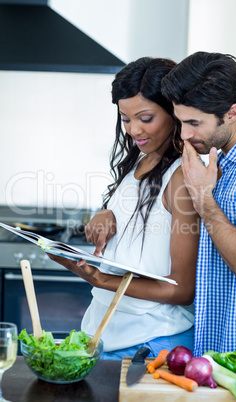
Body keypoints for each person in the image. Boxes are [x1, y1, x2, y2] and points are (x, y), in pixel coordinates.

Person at [49, 57, 200, 360]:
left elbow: (181, 290)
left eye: (146, 118)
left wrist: (100, 279)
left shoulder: (183, 176)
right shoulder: (142, 159)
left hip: (151, 341)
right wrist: (107, 212)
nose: (133, 129)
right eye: (126, 118)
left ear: (174, 112)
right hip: (107, 333)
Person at [161, 51, 236, 357]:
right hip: (217, 350)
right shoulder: (217, 159)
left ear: (232, 113)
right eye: (180, 121)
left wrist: (203, 200)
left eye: (194, 122)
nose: (184, 134)